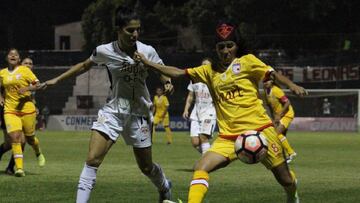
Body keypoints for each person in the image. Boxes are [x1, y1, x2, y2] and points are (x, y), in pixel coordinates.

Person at [135, 21, 307, 203]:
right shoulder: (209, 70)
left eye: (229, 46)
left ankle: (292, 195)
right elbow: (177, 72)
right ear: (216, 49)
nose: (226, 51)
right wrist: (148, 63)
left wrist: (292, 85)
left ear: (236, 46)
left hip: (261, 131)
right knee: (201, 167)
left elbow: (271, 74)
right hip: (228, 137)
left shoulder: (247, 61)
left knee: (285, 179)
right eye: (221, 46)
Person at [43, 6, 173, 203]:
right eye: (130, 30)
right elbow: (84, 65)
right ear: (119, 29)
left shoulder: (147, 51)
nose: (135, 34)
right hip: (114, 110)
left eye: (138, 29)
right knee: (92, 160)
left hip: (139, 113)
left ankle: (164, 186)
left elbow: (161, 70)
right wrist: (57, 80)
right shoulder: (105, 51)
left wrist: (167, 82)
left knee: (146, 167)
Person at [0, 49, 45, 177]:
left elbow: (38, 85)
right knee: (15, 138)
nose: (13, 55)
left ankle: (38, 152)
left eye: (16, 54)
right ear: (6, 58)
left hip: (26, 110)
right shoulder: (2, 73)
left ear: (19, 59)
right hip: (10, 110)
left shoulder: (25, 71)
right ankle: (19, 169)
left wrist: (26, 88)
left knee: (29, 139)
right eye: (10, 54)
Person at [182, 58, 216, 155]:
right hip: (196, 114)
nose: (204, 66)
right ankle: (211, 156)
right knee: (195, 142)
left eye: (207, 65)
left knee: (203, 137)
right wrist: (186, 110)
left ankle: (207, 163)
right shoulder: (194, 79)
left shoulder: (214, 79)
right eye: (203, 64)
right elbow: (190, 96)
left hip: (210, 112)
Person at [263, 80, 297, 163]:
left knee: (277, 134)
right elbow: (270, 107)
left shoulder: (276, 90)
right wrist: (274, 118)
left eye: (267, 81)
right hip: (279, 116)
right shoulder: (266, 92)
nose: (265, 82)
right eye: (264, 81)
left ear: (272, 82)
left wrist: (279, 115)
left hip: (287, 114)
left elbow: (287, 102)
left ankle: (291, 153)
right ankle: (284, 156)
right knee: (279, 137)